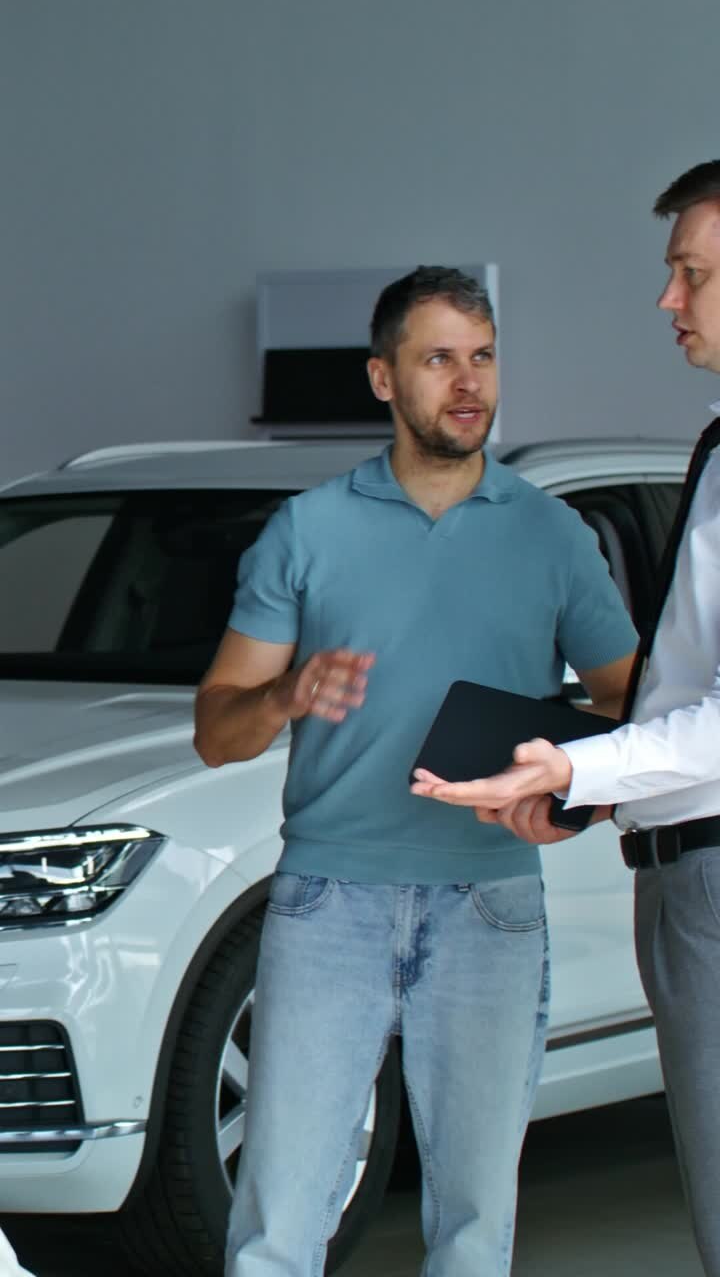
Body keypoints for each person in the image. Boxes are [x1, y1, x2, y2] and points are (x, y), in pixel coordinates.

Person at [194, 265, 636, 1277]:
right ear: (383, 379)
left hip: (491, 903)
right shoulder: (309, 530)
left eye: (482, 358)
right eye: (439, 359)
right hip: (328, 900)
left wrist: (559, 778)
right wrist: (283, 698)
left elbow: (629, 701)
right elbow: (217, 730)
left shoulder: (549, 532)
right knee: (274, 1227)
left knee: (476, 1230)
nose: (468, 382)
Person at [411, 163, 720, 1277]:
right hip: (681, 868)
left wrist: (576, 767)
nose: (667, 300)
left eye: (691, 273)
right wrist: (582, 790)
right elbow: (682, 701)